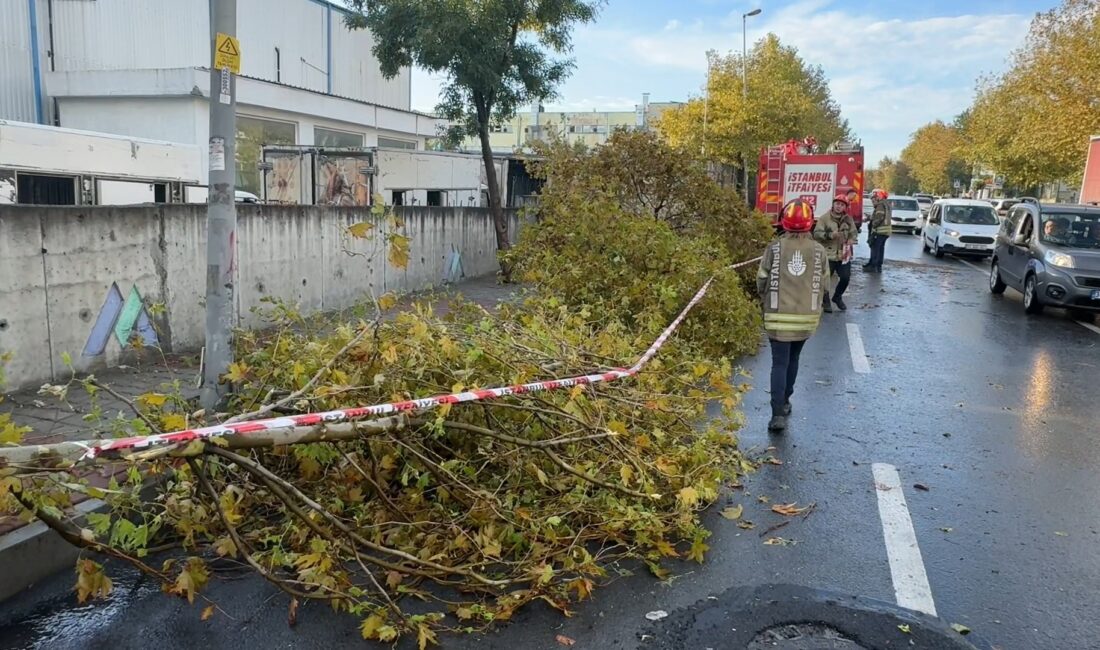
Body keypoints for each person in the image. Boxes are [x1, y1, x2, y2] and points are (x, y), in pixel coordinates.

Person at [757, 199, 829, 432]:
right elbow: (826, 284)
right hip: (806, 318)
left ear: (784, 223)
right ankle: (786, 400)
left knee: (779, 363)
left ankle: (777, 414)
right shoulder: (819, 251)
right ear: (810, 223)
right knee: (793, 359)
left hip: (778, 316)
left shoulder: (774, 248)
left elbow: (761, 279)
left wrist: (765, 299)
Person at [813, 193, 858, 312]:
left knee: (845, 278)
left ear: (845, 207)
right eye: (837, 204)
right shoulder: (824, 218)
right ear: (833, 205)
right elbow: (816, 234)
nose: (839, 206)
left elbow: (854, 232)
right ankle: (825, 300)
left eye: (842, 205)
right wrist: (830, 235)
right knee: (824, 280)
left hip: (843, 255)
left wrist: (851, 239)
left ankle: (837, 297)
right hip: (828, 255)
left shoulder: (848, 219)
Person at [863, 189, 892, 273]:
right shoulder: (886, 204)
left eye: (874, 200)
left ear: (878, 198)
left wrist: (873, 225)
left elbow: (879, 217)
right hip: (886, 231)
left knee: (875, 248)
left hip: (879, 231)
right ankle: (878, 265)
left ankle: (873, 265)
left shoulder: (880, 205)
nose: (872, 203)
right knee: (880, 248)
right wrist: (869, 218)